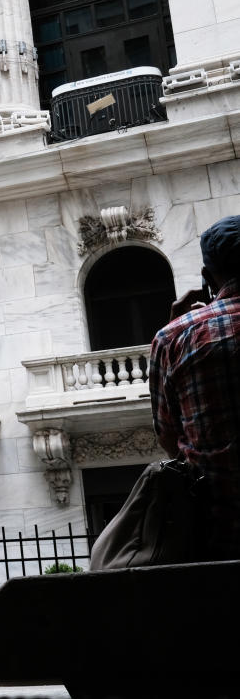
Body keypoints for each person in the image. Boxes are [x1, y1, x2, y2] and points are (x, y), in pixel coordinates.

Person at [149, 214, 240, 560]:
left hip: (216, 541)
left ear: (207, 277)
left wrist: (176, 329)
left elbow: (169, 440)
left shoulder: (173, 337)